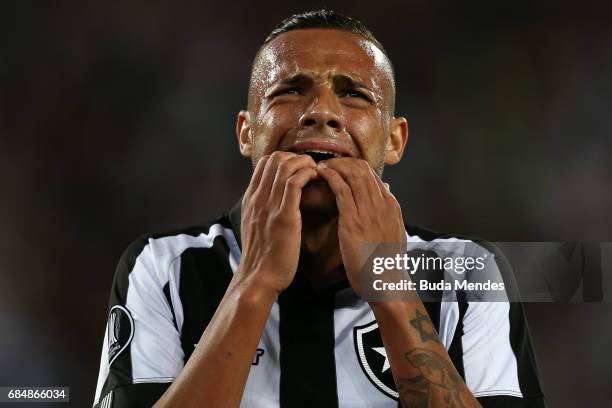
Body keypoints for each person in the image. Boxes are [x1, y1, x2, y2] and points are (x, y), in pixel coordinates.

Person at [93, 10, 546, 408]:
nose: (321, 113)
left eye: (353, 95)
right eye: (290, 90)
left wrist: (389, 287)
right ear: (247, 132)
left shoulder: (466, 273)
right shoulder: (163, 267)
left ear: (394, 140)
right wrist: (254, 284)